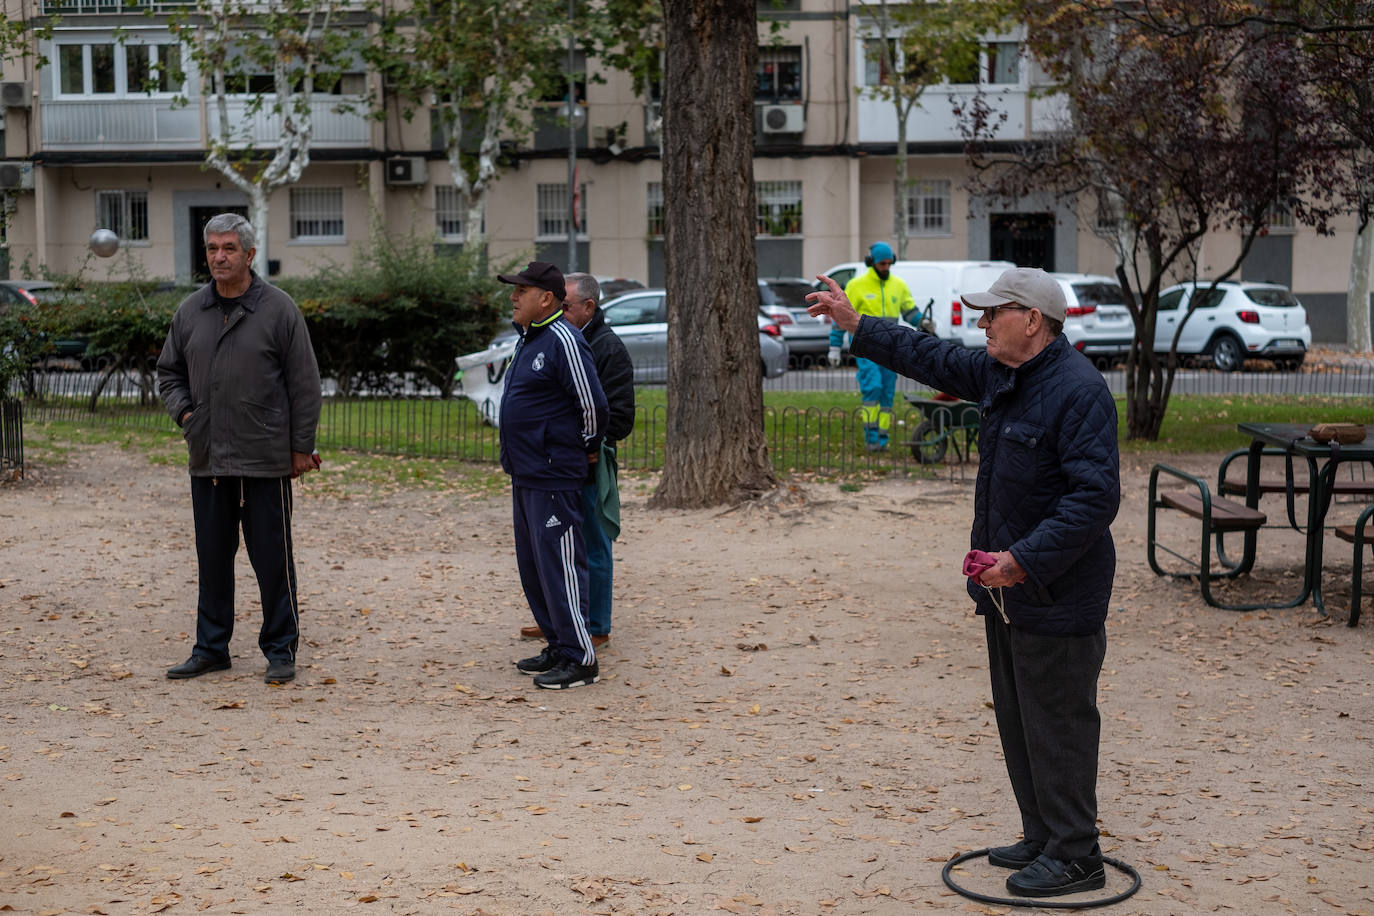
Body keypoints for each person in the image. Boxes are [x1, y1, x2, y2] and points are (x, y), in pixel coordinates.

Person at [808, 266, 1120, 899]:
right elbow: (930, 355)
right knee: (1019, 717)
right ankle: (1042, 833)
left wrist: (1024, 559)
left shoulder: (1078, 390)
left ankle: (1076, 852)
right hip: (1008, 593)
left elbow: (1094, 499)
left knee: (1058, 720)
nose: (980, 324)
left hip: (1055, 592)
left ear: (1033, 320)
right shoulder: (1001, 374)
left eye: (991, 313)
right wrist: (856, 325)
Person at [157, 213, 322, 685]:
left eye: (229, 248)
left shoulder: (279, 309)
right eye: (212, 249)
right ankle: (211, 648)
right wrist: (187, 416)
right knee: (211, 558)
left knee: (272, 558)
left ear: (249, 254)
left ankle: (280, 649)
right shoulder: (191, 311)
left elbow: (305, 384)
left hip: (264, 458)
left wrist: (299, 448)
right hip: (208, 456)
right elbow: (168, 372)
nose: (219, 257)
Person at [498, 261, 609, 690]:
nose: (513, 297)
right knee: (535, 567)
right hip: (525, 473)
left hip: (552, 474)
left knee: (561, 565)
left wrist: (580, 451)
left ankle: (581, 658)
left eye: (520, 291)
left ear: (545, 298)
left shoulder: (565, 338)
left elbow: (592, 406)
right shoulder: (529, 339)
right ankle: (559, 646)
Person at [519, 272, 634, 648]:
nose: (559, 311)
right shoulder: (559, 339)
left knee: (594, 543)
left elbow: (617, 415)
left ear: (589, 307)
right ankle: (561, 616)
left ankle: (596, 625)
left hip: (589, 459)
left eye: (565, 305)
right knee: (557, 544)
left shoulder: (607, 347)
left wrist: (585, 444)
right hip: (558, 461)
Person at [827, 241, 914, 451]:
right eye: (882, 264)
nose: (886, 268)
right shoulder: (856, 286)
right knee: (873, 388)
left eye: (888, 263)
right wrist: (834, 346)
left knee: (887, 393)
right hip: (865, 348)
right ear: (871, 262)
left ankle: (882, 441)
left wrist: (924, 322)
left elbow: (910, 311)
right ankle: (870, 438)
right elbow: (841, 316)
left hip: (890, 348)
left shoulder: (899, 285)